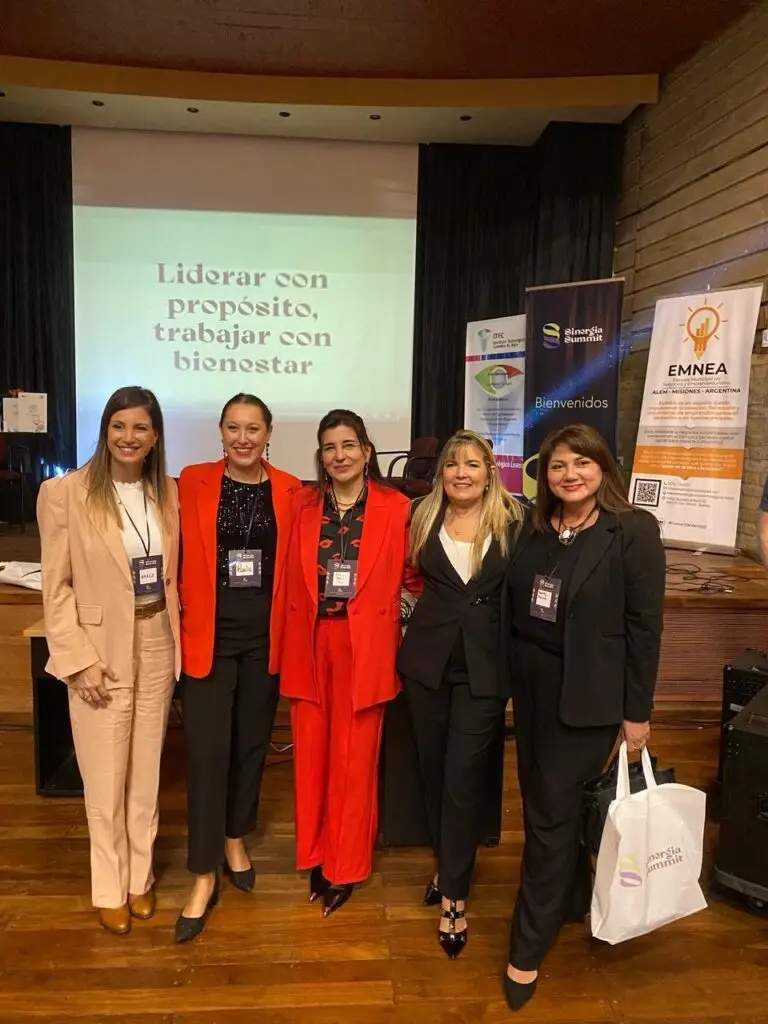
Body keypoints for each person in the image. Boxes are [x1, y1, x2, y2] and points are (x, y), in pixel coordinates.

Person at [502, 423, 665, 1011]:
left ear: (603, 467)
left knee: (546, 819)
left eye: (581, 463)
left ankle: (527, 946)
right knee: (551, 805)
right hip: (535, 694)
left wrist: (637, 714)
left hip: (591, 700)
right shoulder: (536, 530)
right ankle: (571, 899)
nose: (569, 475)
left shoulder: (633, 532)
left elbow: (646, 630)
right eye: (556, 466)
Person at [37, 387, 180, 935]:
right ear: (105, 430)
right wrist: (77, 660)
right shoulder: (65, 493)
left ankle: (140, 878)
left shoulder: (165, 492)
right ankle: (108, 884)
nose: (129, 437)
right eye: (119, 426)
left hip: (158, 639)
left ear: (155, 436)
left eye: (140, 428)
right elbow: (57, 587)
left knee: (146, 776)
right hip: (100, 651)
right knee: (104, 779)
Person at [175, 393, 301, 942]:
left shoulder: (292, 489)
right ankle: (202, 873)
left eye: (253, 428)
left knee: (252, 746)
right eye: (234, 428)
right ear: (220, 433)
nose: (243, 437)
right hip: (206, 638)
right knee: (206, 754)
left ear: (269, 432)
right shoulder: (191, 480)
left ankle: (234, 836)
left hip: (265, 640)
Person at [276, 409, 411, 916]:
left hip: (367, 648)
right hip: (310, 643)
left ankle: (346, 865)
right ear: (321, 455)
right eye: (330, 447)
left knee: (354, 763)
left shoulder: (397, 508)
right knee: (311, 756)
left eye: (349, 445)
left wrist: (397, 619)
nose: (340, 455)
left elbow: (415, 576)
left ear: (368, 451)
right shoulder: (302, 506)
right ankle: (315, 854)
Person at [398, 431, 523, 958]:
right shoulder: (420, 517)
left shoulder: (515, 522)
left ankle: (454, 897)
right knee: (432, 773)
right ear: (441, 473)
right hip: (427, 666)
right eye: (452, 464)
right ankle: (447, 863)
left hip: (484, 670)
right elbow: (404, 580)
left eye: (473, 464)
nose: (461, 473)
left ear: (490, 470)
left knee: (463, 778)